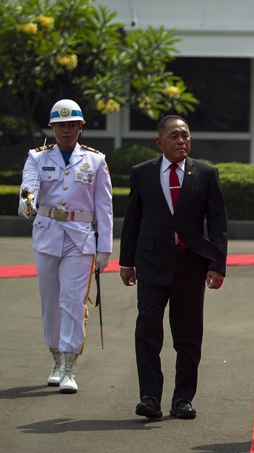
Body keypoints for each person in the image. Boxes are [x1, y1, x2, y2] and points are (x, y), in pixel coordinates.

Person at [119, 115, 228, 420]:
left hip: (191, 265)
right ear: (159, 142)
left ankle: (183, 399)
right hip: (152, 265)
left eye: (185, 135)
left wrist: (217, 264)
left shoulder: (205, 173)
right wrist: (126, 261)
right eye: (174, 136)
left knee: (188, 335)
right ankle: (150, 397)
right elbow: (133, 221)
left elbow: (218, 223)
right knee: (147, 331)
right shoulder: (143, 174)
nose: (181, 141)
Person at [18, 99, 114, 394]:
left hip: (80, 237)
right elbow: (28, 187)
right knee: (50, 303)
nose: (66, 130)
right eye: (61, 125)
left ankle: (70, 366)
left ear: (81, 127)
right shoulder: (37, 157)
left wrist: (104, 248)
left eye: (72, 124)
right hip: (48, 234)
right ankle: (56, 360)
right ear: (52, 127)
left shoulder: (95, 160)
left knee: (72, 302)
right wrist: (27, 203)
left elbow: (104, 205)